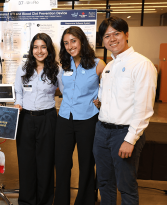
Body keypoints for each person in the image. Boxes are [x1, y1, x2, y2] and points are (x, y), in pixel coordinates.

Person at [93, 17, 157, 205]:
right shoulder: (109, 66)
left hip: (124, 133)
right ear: (103, 41)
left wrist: (130, 140)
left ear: (126, 34)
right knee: (104, 183)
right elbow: (105, 98)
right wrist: (100, 103)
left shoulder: (142, 64)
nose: (111, 39)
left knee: (126, 185)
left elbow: (144, 107)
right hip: (102, 131)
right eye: (106, 36)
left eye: (116, 34)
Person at [54, 26, 105, 205]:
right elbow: (61, 89)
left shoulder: (99, 64)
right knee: (61, 163)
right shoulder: (63, 65)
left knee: (86, 163)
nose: (70, 46)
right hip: (65, 119)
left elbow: (108, 90)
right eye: (66, 43)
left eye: (73, 41)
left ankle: (86, 201)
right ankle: (60, 201)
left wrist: (101, 101)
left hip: (88, 119)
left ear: (82, 41)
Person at [14, 33, 59, 205]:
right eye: (35, 47)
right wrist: (18, 104)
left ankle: (45, 201)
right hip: (25, 119)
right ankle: (26, 201)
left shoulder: (57, 70)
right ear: (31, 49)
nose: (39, 51)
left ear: (48, 49)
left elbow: (66, 90)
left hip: (47, 119)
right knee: (26, 163)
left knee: (46, 163)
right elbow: (18, 92)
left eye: (43, 47)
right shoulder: (23, 69)